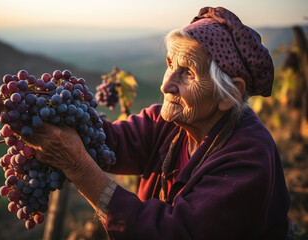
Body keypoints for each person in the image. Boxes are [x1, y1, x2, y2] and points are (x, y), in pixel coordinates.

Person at [26, 6, 291, 240]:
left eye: (187, 73)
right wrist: (46, 111)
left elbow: (170, 233)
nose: (166, 85)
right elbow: (107, 142)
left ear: (230, 94)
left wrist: (77, 167)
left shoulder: (247, 161)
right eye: (169, 64)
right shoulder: (167, 123)